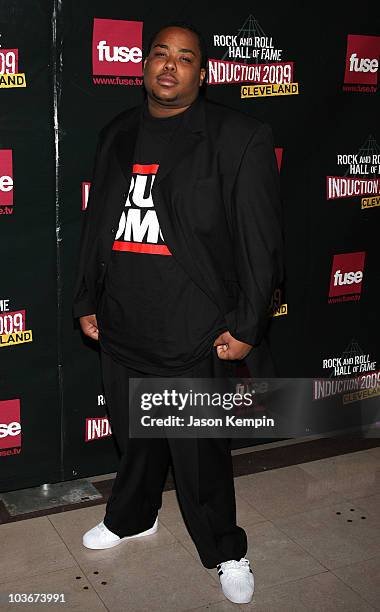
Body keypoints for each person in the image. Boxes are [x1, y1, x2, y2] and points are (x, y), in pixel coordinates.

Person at [73, 22, 283, 605]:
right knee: (135, 439)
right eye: (160, 54)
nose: (170, 66)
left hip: (194, 327)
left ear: (202, 72)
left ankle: (225, 548)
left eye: (184, 58)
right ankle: (133, 517)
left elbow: (260, 241)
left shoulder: (238, 136)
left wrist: (246, 324)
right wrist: (87, 299)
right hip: (123, 323)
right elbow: (99, 227)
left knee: (198, 451)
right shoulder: (117, 132)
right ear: (143, 65)